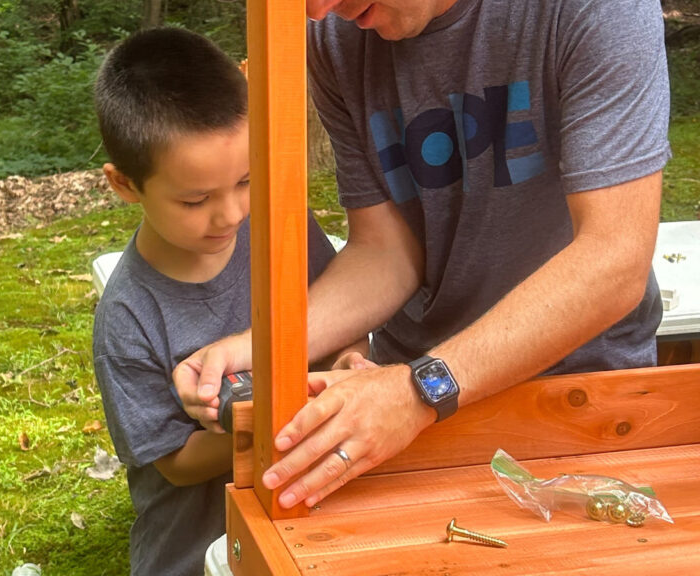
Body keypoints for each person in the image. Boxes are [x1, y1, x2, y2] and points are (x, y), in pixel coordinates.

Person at [174, 0, 670, 512]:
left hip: (577, 391)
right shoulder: (335, 36)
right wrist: (264, 346)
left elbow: (614, 258)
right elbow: (387, 251)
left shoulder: (597, 9)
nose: (318, 11)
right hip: (404, 398)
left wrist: (420, 390)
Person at [90, 27, 340, 576]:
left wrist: (348, 365)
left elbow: (341, 319)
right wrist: (278, 420)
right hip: (194, 550)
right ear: (126, 185)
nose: (230, 214)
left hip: (312, 521)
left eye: (246, 180)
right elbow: (175, 464)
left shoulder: (279, 227)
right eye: (196, 199)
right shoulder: (128, 316)